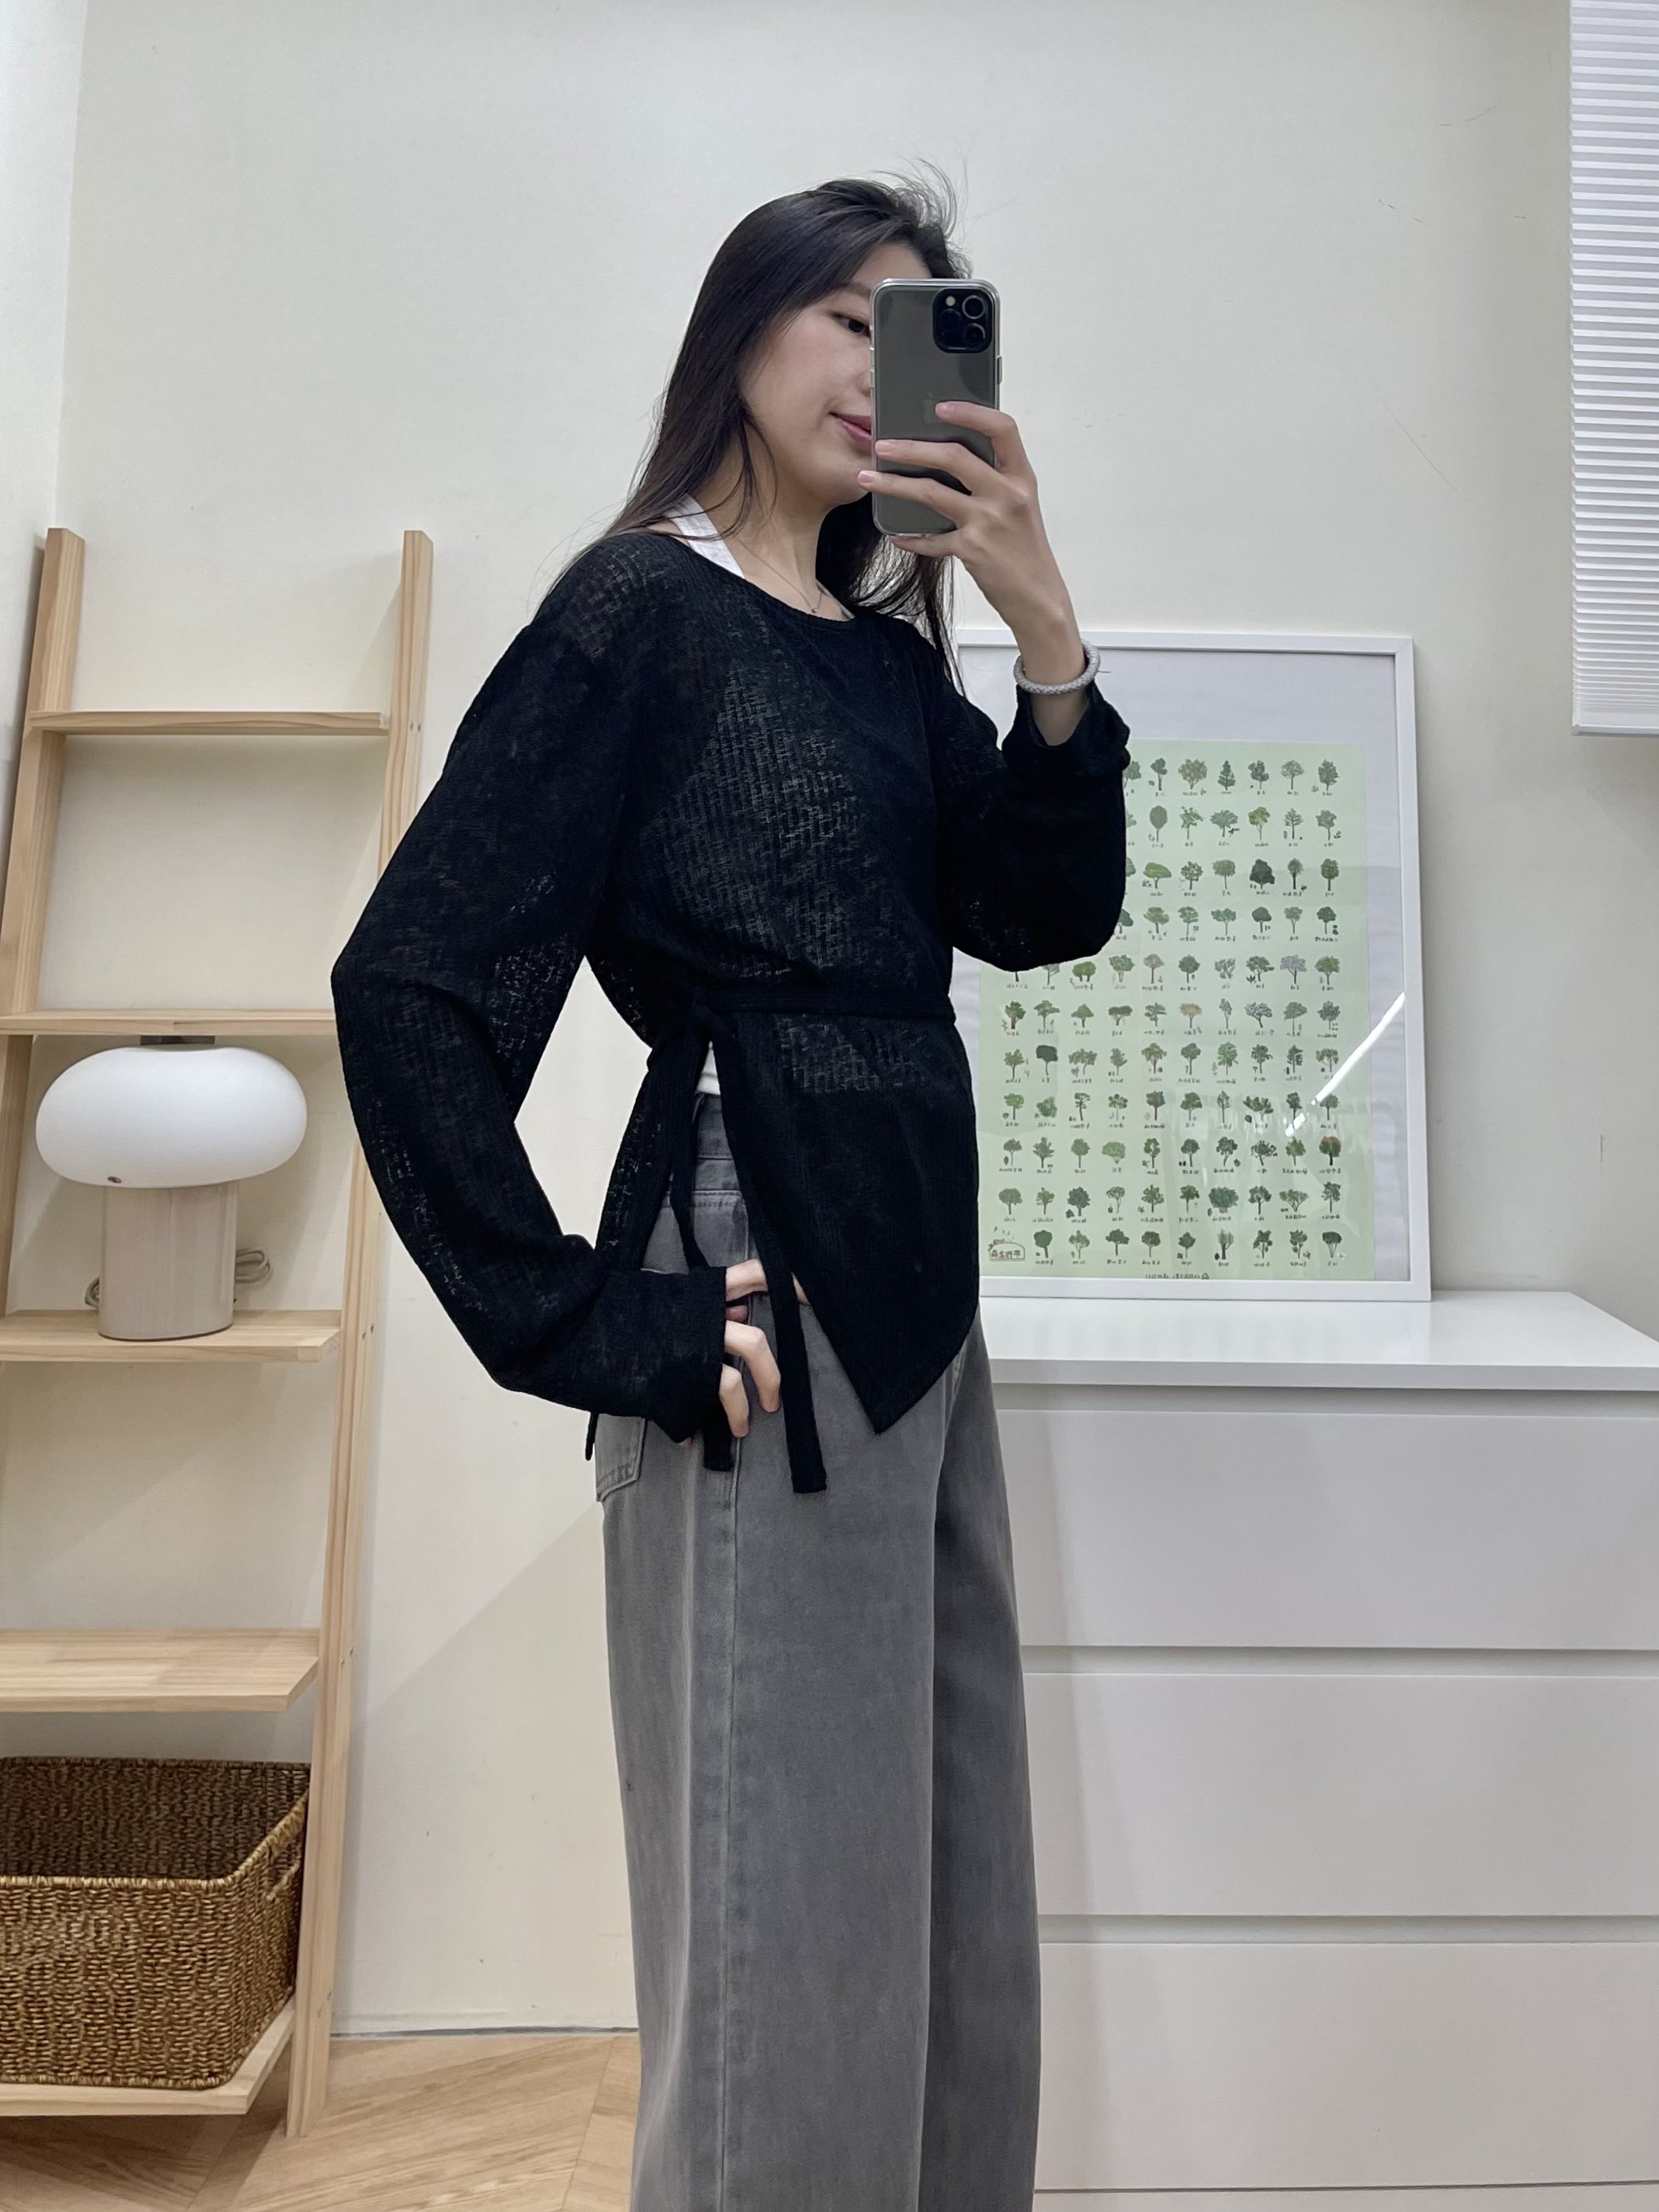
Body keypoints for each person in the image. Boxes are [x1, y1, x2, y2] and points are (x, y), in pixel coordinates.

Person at [329, 167, 1130, 2212]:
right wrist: (598, 1320)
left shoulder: (883, 659)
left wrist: (1039, 623)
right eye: (849, 316)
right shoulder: (638, 613)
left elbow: (1044, 907)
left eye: (919, 331)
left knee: (945, 1916)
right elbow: (411, 988)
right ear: (741, 326)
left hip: (918, 1299)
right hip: (757, 1273)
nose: (879, 366)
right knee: (790, 1932)